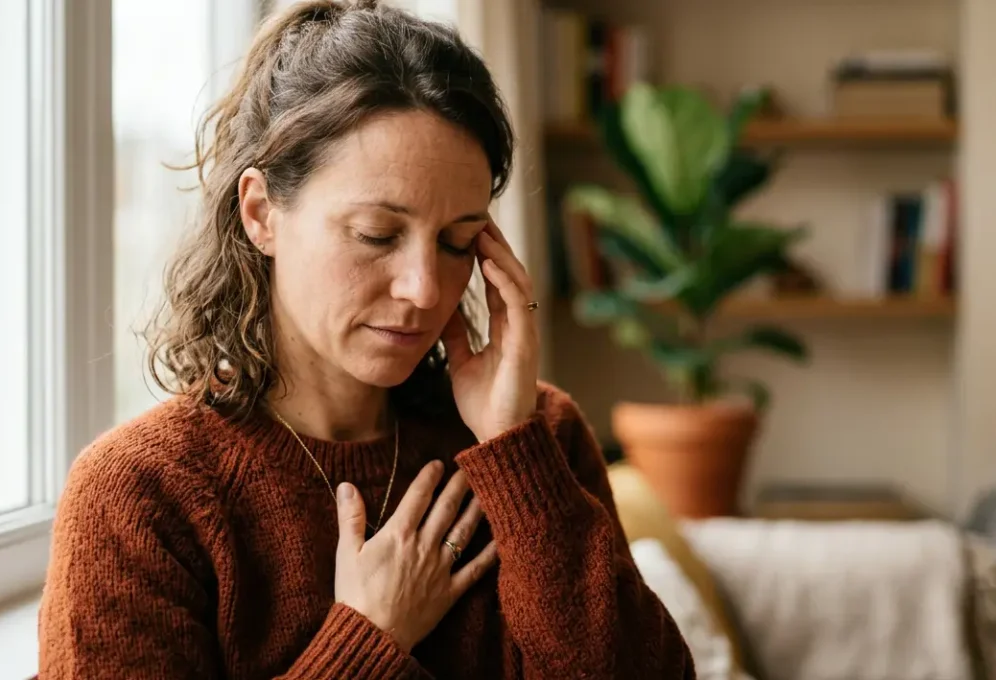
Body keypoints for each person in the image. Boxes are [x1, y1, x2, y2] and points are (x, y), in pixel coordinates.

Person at [36, 2, 695, 678]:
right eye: (377, 235)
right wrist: (366, 638)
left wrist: (514, 453)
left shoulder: (537, 436)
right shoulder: (142, 497)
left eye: (457, 241)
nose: (425, 289)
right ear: (261, 213)